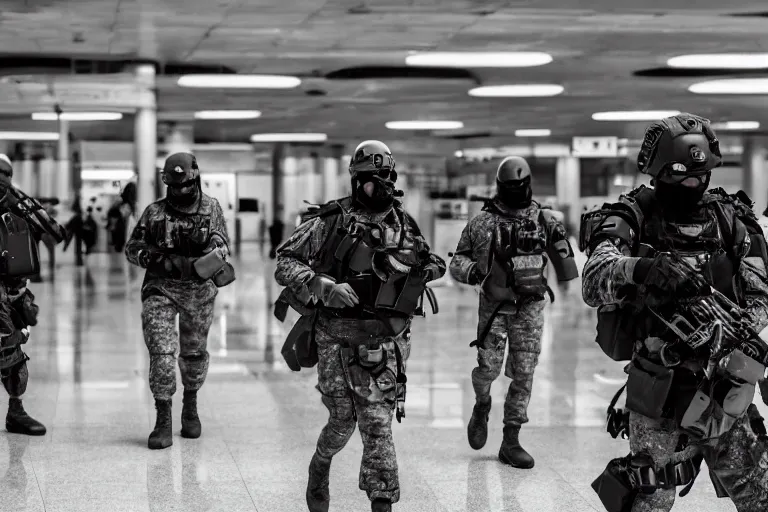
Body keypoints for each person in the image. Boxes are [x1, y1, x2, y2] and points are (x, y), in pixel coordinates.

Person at [581, 113, 768, 511]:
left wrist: (737, 332)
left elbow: (760, 293)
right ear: (659, 172)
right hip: (660, 385)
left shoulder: (729, 218)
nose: (693, 186)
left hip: (725, 384)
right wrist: (642, 269)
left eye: (700, 177)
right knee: (652, 492)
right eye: (681, 177)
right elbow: (593, 281)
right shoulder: (631, 215)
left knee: (759, 489)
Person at [275, 140, 445, 512]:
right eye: (372, 179)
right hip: (335, 336)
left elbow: (432, 259)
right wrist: (321, 284)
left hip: (383, 337)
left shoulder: (402, 222)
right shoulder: (331, 221)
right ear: (356, 181)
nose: (381, 186)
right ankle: (320, 466)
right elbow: (284, 261)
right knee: (342, 420)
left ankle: (381, 500)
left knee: (377, 421)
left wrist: (420, 271)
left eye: (387, 178)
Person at [449, 156, 578, 468]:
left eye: (520, 186)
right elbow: (456, 262)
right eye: (510, 187)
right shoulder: (482, 223)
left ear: (529, 184)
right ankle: (482, 404)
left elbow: (565, 263)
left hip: (530, 307)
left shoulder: (544, 220)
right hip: (493, 307)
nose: (516, 192)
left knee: (524, 372)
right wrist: (478, 275)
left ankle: (511, 439)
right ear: (499, 187)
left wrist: (566, 287)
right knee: (488, 369)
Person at [125, 152, 235, 450]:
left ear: (195, 180)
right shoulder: (154, 212)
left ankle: (190, 403)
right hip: (160, 288)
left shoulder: (211, 207)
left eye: (185, 186)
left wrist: (211, 252)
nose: (180, 192)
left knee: (193, 353)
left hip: (198, 291)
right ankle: (163, 416)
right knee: (161, 351)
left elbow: (223, 245)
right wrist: (154, 258)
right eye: (173, 187)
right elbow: (132, 247)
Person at [0, 154, 66, 436]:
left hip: (15, 292)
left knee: (12, 353)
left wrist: (19, 203)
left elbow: (55, 232)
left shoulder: (19, 204)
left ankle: (16, 411)